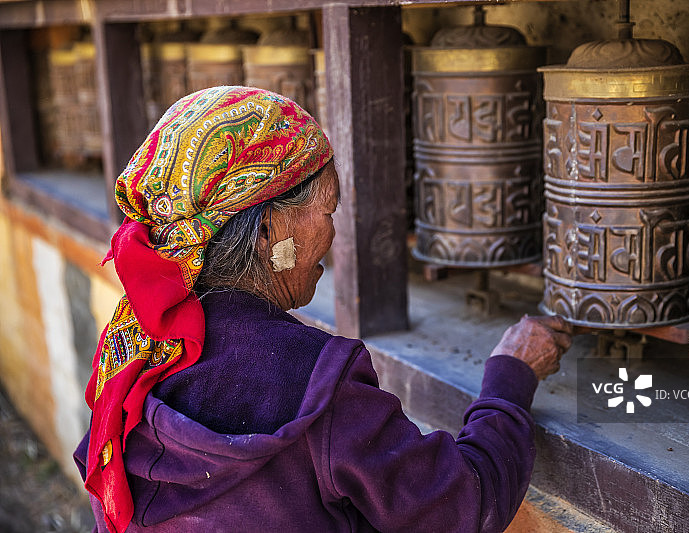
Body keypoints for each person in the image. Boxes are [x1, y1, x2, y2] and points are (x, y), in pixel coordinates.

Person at [74, 86, 573, 533]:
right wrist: (511, 375)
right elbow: (461, 506)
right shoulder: (316, 380)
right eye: (329, 210)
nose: (333, 238)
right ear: (269, 229)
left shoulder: (133, 349)